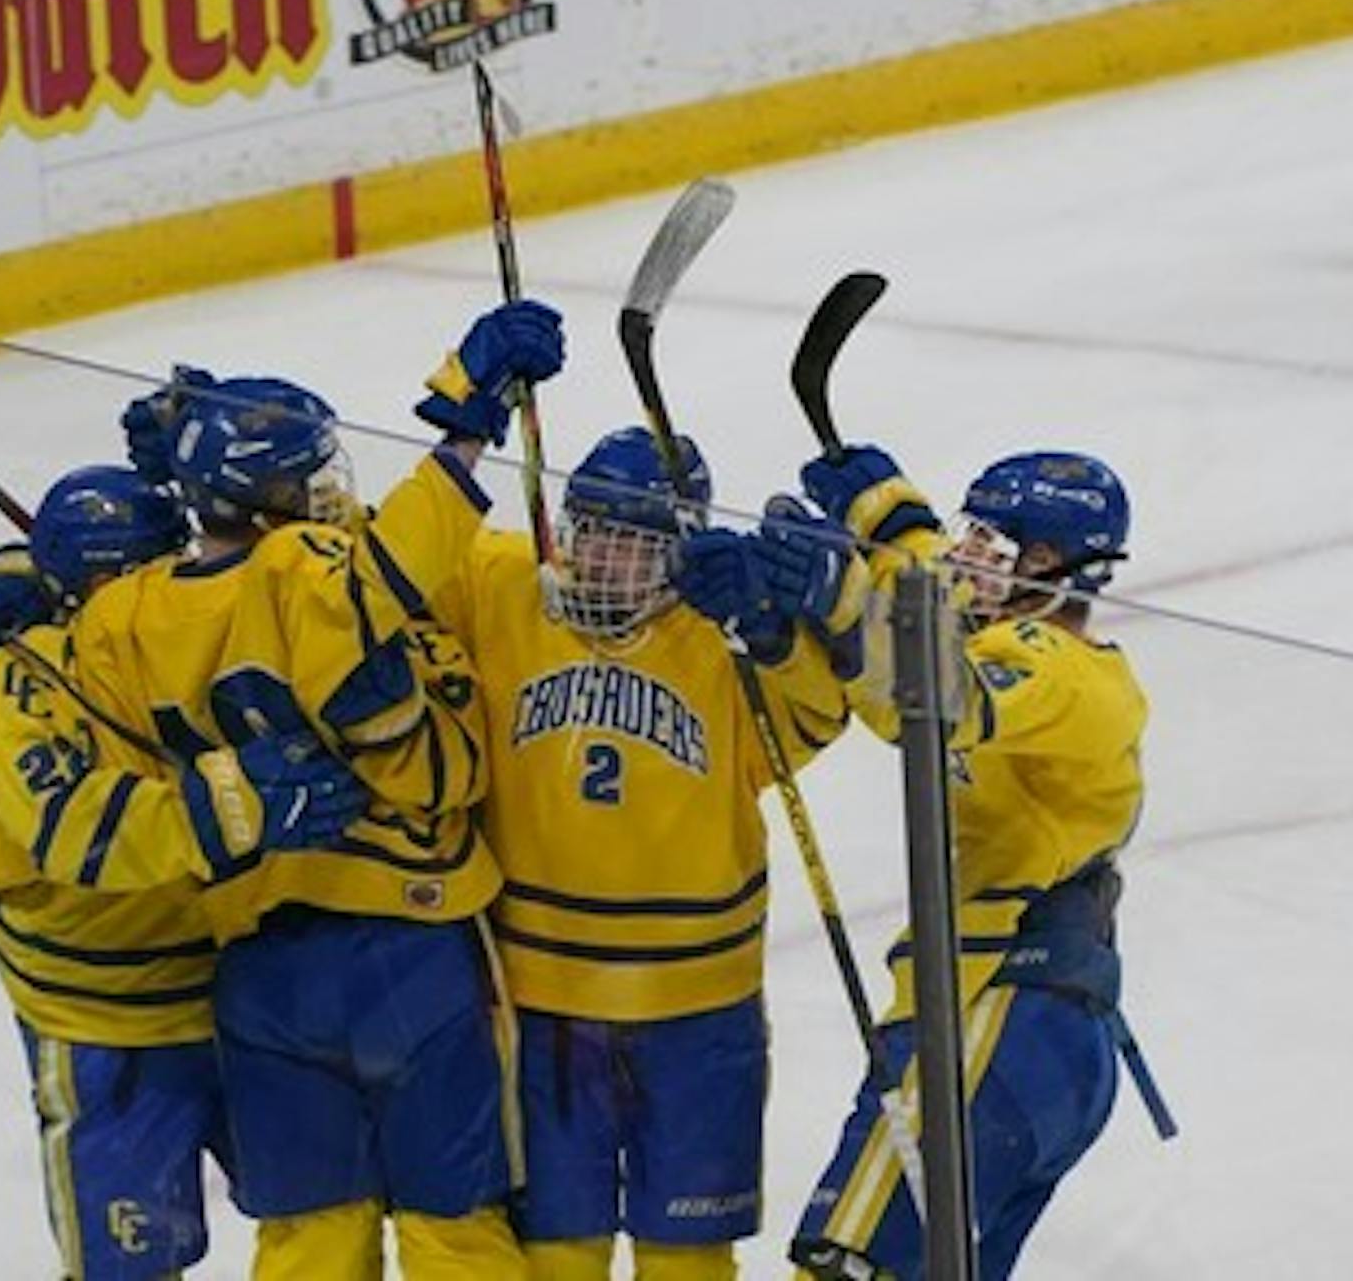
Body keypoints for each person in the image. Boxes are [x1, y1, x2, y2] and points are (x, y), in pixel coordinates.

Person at [74, 317, 559, 1280]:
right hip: (406, 949)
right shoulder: (308, 573)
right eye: (309, 473)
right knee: (453, 1221)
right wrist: (467, 427)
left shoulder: (116, 616)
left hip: (257, 963)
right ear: (268, 500)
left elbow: (120, 772)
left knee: (307, 1234)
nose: (333, 489)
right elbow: (397, 560)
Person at [382, 336, 854, 1281]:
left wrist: (767, 631)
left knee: (690, 1257)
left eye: (633, 541)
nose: (600, 557)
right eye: (589, 528)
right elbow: (380, 568)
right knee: (559, 1254)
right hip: (544, 1002)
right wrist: (465, 410)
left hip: (699, 1008)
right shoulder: (502, 583)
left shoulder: (721, 637)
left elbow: (812, 717)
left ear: (681, 548)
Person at [0, 464, 364, 1280]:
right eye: (142, 571)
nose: (173, 582)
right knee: (125, 1266)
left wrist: (9, 566)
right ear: (93, 586)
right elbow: (86, 830)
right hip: (107, 1025)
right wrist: (241, 804)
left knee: (324, 1219)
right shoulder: (28, 680)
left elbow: (320, 578)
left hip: (245, 991)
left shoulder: (190, 628)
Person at [774, 445, 1171, 1280]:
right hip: (1033, 1031)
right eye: (972, 536)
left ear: (1056, 567)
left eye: (999, 546)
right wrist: (888, 515)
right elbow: (930, 620)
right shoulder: (1009, 637)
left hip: (996, 1016)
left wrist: (843, 603)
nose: (968, 558)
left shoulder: (1054, 666)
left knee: (848, 1269)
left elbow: (930, 695)